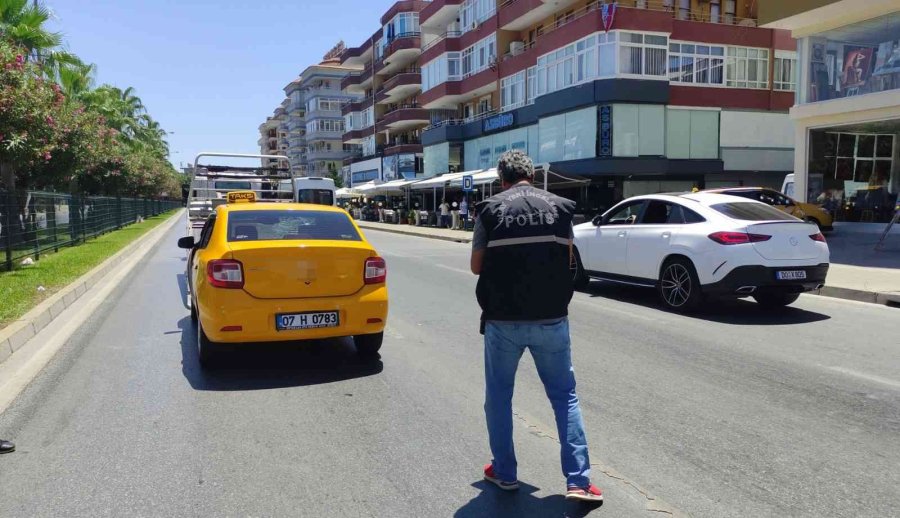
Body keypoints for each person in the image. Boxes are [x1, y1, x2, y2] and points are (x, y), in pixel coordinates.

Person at [470, 150, 602, 503]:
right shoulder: (561, 208)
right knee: (565, 397)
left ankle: (505, 472)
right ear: (532, 175)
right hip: (551, 318)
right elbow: (569, 259)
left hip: (503, 320)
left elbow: (476, 266)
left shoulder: (490, 209)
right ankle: (579, 481)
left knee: (498, 397)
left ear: (502, 179)